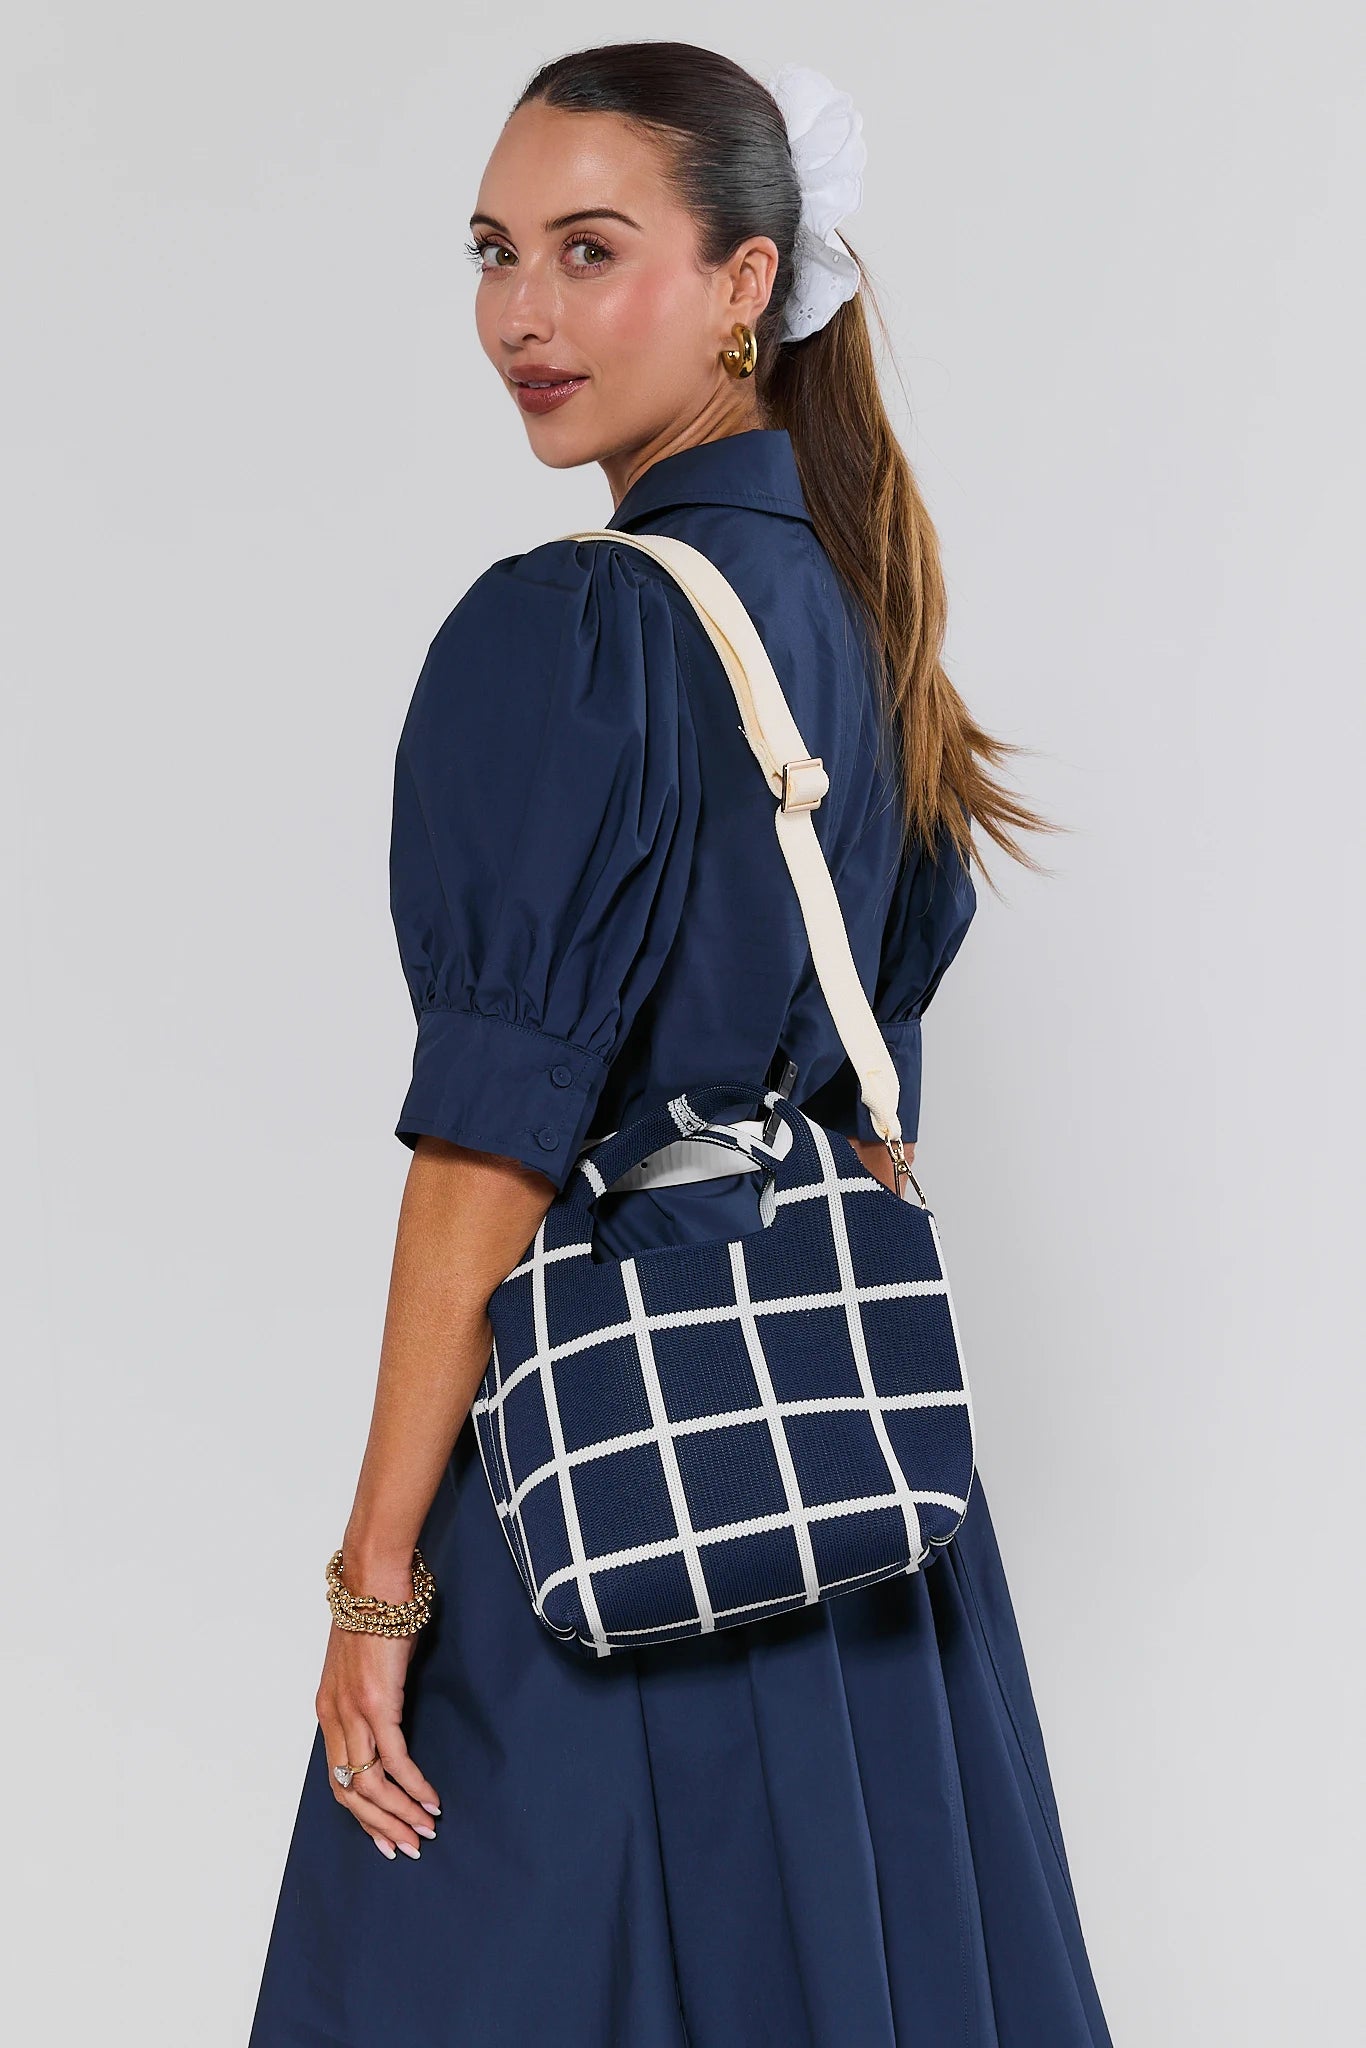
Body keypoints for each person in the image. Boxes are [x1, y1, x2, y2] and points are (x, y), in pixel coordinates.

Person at [250, 41, 1114, 2048]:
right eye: (493, 252)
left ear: (744, 282)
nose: (520, 315)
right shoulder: (859, 615)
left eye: (587, 250)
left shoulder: (573, 630)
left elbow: (487, 1152)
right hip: (845, 1507)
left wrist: (377, 1578)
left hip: (602, 1493)